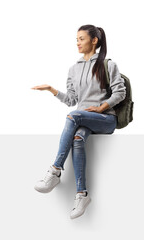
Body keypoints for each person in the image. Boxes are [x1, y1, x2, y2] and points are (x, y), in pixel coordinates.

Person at [32, 24, 126, 219]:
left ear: (94, 40)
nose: (78, 43)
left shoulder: (108, 65)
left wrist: (101, 107)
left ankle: (55, 170)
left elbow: (120, 92)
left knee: (74, 116)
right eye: (76, 39)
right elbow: (72, 101)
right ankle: (82, 195)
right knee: (77, 137)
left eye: (81, 39)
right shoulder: (73, 69)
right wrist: (52, 90)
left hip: (105, 119)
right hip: (83, 121)